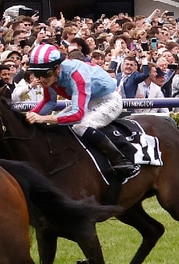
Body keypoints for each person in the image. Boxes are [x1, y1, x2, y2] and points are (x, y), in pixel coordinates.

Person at [23, 43, 134, 178]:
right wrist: (28, 117)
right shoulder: (50, 76)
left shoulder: (76, 74)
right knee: (53, 125)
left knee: (81, 127)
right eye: (36, 74)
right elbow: (48, 102)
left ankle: (121, 160)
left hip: (108, 99)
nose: (40, 79)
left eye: (43, 74)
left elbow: (77, 114)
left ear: (57, 69)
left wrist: (43, 118)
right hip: (89, 99)